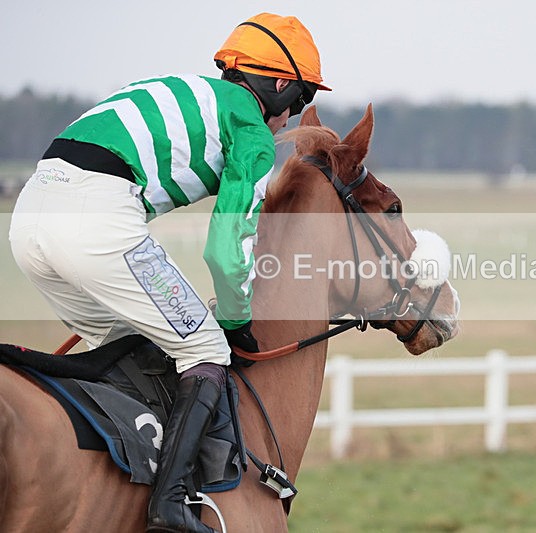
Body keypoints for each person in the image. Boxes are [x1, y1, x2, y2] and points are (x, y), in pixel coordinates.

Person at [8, 12, 330, 533]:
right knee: (203, 349)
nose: (292, 118)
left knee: (132, 348)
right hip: (97, 221)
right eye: (299, 100)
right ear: (278, 85)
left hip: (28, 223)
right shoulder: (251, 132)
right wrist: (233, 318)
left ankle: (112, 483)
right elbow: (226, 250)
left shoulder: (179, 87)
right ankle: (171, 505)